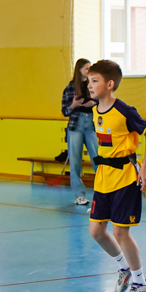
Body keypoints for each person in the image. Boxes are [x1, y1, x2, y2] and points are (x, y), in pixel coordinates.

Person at [87, 59, 146, 292]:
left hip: (125, 178)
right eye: (88, 81)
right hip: (103, 178)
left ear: (109, 84)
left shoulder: (125, 111)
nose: (89, 85)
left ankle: (140, 283)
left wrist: (144, 168)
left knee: (120, 232)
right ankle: (123, 268)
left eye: (94, 81)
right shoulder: (95, 110)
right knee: (96, 231)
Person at [60, 57, 97, 206]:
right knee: (75, 161)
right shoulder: (70, 88)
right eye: (86, 68)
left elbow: (101, 101)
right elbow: (65, 111)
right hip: (75, 126)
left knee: (98, 159)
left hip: (91, 124)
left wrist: (93, 103)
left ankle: (104, 193)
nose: (89, 71)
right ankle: (79, 196)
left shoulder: (93, 85)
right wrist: (74, 105)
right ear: (79, 70)